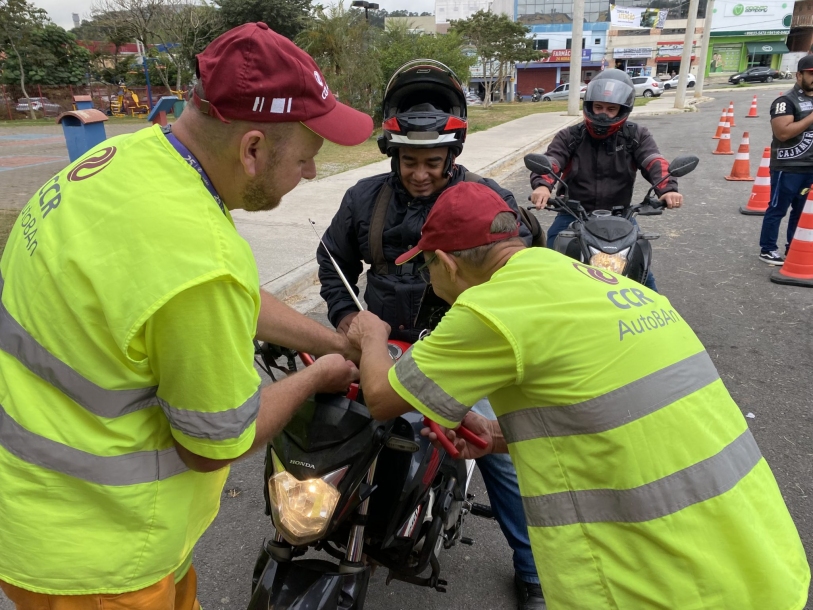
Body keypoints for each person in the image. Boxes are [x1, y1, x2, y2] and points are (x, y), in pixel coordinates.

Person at [0, 23, 370, 609]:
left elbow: (227, 296)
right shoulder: (198, 259)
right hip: (101, 556)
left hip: (38, 504)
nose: (311, 175)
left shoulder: (125, 156)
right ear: (252, 148)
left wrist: (334, 343)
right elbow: (215, 442)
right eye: (305, 158)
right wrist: (316, 377)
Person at [346, 180, 811, 610]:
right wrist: (497, 434)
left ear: (444, 262)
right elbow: (613, 412)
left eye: (428, 268)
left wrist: (371, 334)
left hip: (671, 586)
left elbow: (383, 398)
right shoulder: (604, 284)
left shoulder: (491, 306)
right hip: (763, 559)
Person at [316, 59, 545, 609]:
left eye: (433, 162)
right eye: (410, 161)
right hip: (378, 342)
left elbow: (516, 276)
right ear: (392, 153)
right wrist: (348, 321)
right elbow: (331, 264)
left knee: (496, 452)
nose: (420, 173)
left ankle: (533, 568)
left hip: (461, 351)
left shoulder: (489, 201)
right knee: (324, 425)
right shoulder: (362, 199)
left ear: (453, 155)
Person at [529, 69, 683, 292]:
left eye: (611, 109)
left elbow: (653, 160)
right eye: (598, 107)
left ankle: (656, 318)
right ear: (589, 106)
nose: (603, 114)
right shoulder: (570, 136)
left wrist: (667, 189)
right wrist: (543, 185)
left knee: (642, 272)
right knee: (552, 259)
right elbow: (552, 159)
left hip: (621, 216)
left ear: (623, 110)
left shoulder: (636, 135)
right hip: (572, 213)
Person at [758, 54, 813, 265]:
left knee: (803, 212)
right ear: (799, 75)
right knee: (777, 209)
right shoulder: (785, 101)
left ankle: (795, 247)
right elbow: (782, 133)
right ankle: (768, 248)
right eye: (811, 74)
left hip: (810, 167)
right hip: (788, 166)